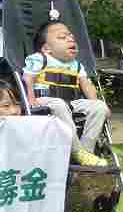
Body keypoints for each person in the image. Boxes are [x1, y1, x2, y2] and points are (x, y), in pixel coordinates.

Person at [23, 21, 109, 167]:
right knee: (58, 104)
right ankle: (78, 152)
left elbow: (87, 86)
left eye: (72, 37)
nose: (70, 39)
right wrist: (30, 98)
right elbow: (28, 78)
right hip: (45, 100)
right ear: (46, 48)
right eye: (62, 37)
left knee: (100, 107)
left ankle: (85, 151)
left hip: (71, 102)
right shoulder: (40, 58)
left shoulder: (77, 65)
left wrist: (97, 103)